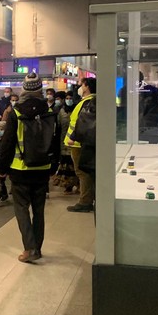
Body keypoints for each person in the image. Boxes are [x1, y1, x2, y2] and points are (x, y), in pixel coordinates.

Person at [0, 73, 55, 263]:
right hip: (42, 169)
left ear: (24, 90)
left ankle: (30, 248)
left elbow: (7, 143)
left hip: (20, 170)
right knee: (39, 211)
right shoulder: (49, 112)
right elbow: (55, 141)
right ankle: (37, 248)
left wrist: (2, 168)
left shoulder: (17, 113)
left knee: (21, 209)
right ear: (40, 90)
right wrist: (53, 166)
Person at [66, 78, 97, 213]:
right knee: (86, 172)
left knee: (82, 172)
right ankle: (88, 199)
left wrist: (73, 138)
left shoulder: (87, 102)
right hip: (80, 143)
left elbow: (82, 124)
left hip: (79, 144)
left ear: (87, 87)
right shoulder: (89, 101)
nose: (79, 87)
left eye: (81, 85)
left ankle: (85, 201)